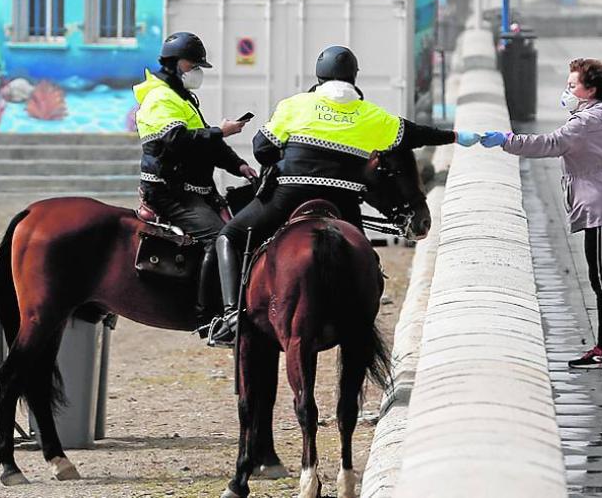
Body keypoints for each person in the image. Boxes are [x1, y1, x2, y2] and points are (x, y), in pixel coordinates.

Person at [203, 45, 480, 346]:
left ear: (319, 78)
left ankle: (231, 317)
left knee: (229, 236)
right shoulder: (372, 115)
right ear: (354, 78)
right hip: (344, 201)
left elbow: (262, 149)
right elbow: (418, 135)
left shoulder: (294, 105)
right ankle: (362, 320)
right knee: (365, 261)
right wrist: (456, 137)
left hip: (290, 195)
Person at [480, 58, 602, 370]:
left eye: (572, 86)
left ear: (590, 90)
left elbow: (549, 144)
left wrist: (506, 140)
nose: (567, 91)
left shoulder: (584, 123)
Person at [134, 32, 258, 324]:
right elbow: (177, 141)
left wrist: (238, 165)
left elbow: (204, 146)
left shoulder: (182, 97)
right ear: (174, 63)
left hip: (191, 189)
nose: (197, 72)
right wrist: (220, 131)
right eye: (193, 64)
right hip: (168, 191)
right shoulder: (159, 97)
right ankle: (211, 315)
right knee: (219, 237)